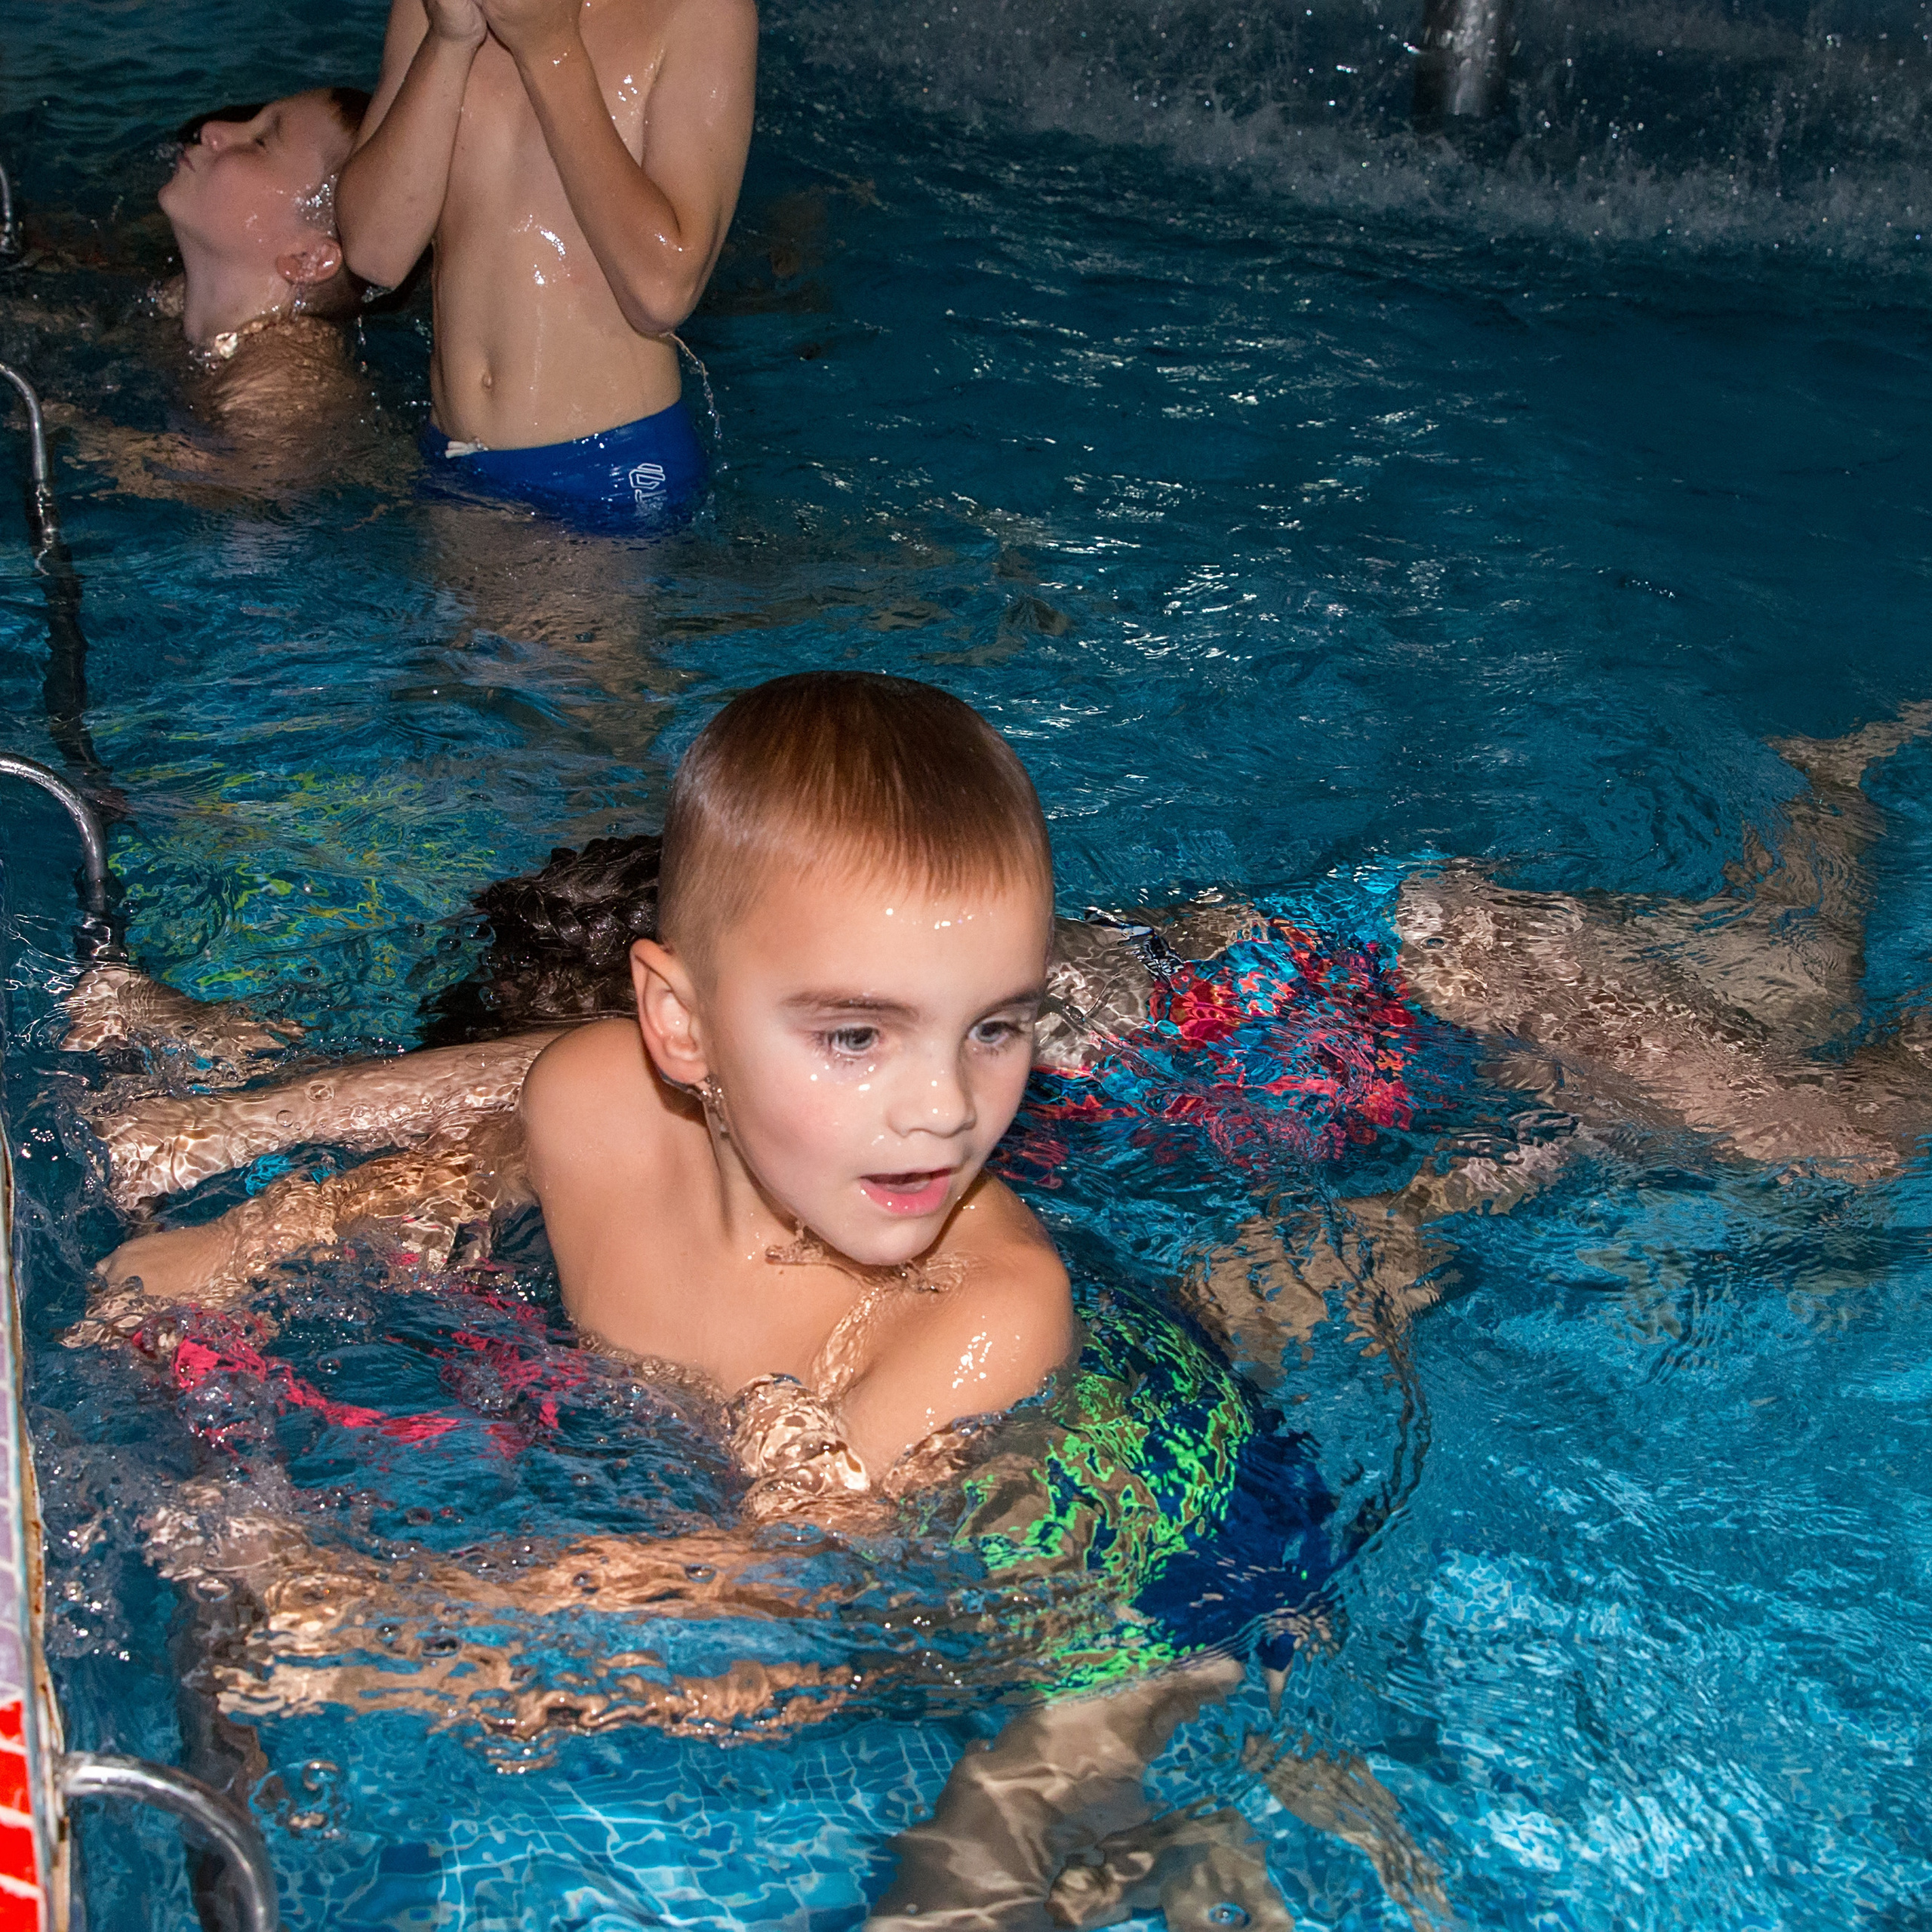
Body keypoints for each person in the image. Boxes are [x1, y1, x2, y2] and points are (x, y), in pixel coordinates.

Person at [334, 0, 757, 524]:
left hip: (606, 473)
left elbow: (664, 291)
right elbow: (376, 253)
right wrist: (449, 41)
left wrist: (550, 50)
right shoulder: (431, 9)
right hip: (451, 460)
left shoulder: (700, 12)